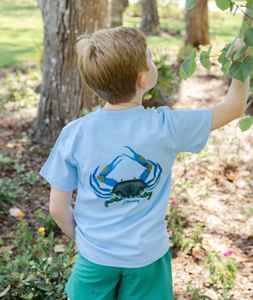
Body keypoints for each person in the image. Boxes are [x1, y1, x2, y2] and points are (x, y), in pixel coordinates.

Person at [39, 27, 250, 300]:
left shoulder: (75, 133)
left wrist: (82, 241)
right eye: (151, 58)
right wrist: (243, 57)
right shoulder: (167, 125)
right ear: (144, 78)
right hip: (147, 257)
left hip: (95, 257)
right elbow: (234, 107)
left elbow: (57, 207)